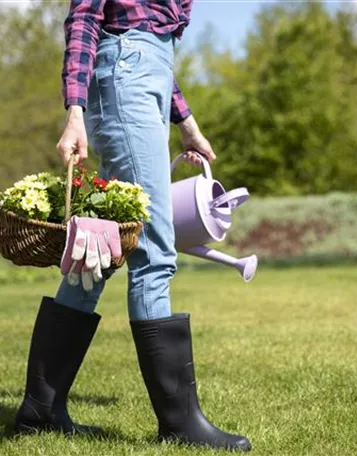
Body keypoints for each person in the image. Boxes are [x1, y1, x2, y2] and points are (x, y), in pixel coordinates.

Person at [14, 0, 251, 452]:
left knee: (99, 254)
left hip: (148, 72)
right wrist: (75, 111)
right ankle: (181, 423)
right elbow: (87, 18)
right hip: (127, 74)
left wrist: (187, 123)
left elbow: (148, 37)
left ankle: (40, 409)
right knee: (154, 252)